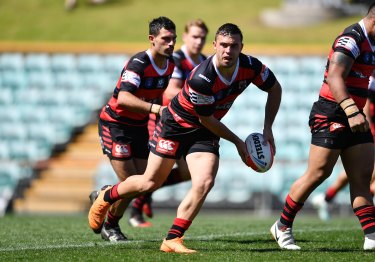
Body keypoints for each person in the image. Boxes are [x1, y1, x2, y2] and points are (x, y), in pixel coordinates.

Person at [88, 23, 282, 253]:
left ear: (242, 47)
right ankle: (107, 195)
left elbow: (275, 88)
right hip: (176, 126)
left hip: (204, 132)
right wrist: (239, 143)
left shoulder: (251, 66)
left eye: (234, 46)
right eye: (223, 45)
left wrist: (267, 128)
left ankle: (173, 239)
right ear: (215, 46)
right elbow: (207, 119)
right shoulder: (203, 77)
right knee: (149, 182)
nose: (228, 51)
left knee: (205, 182)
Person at [270, 3, 375, 251]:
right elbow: (334, 76)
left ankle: (371, 235)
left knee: (360, 178)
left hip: (355, 114)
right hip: (332, 113)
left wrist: (356, 113)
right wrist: (351, 110)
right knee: (318, 174)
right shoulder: (351, 38)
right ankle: (282, 226)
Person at [91, 16, 176, 242]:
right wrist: (157, 110)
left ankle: (104, 196)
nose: (171, 43)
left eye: (173, 39)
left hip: (139, 126)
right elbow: (124, 99)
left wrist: (157, 120)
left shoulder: (171, 64)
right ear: (152, 39)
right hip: (115, 124)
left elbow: (156, 93)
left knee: (142, 184)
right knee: (131, 182)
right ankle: (111, 225)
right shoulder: (139, 62)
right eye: (166, 39)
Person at [128, 19, 209, 227]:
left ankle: (146, 195)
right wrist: (199, 99)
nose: (199, 41)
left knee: (185, 173)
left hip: (187, 123)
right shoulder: (177, 58)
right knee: (150, 176)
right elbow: (171, 90)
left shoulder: (205, 62)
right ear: (184, 37)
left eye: (202, 37)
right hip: (166, 122)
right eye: (195, 36)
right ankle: (135, 207)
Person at [312, 76, 375, 221]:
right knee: (361, 171)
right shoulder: (370, 81)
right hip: (367, 129)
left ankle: (328, 198)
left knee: (359, 171)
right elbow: (366, 106)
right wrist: (368, 130)